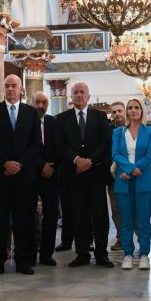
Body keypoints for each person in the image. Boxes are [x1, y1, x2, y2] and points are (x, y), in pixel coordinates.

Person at [0, 75, 42, 276]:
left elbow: (36, 144)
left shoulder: (31, 113)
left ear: (21, 89)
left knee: (23, 220)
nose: (10, 89)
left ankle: (23, 261)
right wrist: (5, 163)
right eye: (7, 86)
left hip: (24, 176)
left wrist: (19, 164)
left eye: (14, 86)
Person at [55, 82, 112, 267]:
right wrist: (76, 160)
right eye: (76, 92)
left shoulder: (100, 116)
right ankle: (82, 254)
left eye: (82, 92)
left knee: (100, 216)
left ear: (88, 96)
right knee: (78, 216)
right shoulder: (61, 119)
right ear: (71, 96)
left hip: (96, 175)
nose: (79, 95)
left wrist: (89, 161)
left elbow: (105, 143)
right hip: (74, 175)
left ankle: (102, 254)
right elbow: (60, 145)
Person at [112, 98, 151, 270]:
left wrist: (133, 170)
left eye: (136, 107)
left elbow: (150, 155)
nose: (133, 110)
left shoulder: (150, 132)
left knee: (143, 221)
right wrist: (131, 169)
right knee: (126, 221)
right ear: (127, 111)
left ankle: (144, 254)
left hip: (143, 180)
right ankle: (128, 254)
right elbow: (116, 154)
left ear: (142, 110)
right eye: (130, 108)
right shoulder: (118, 132)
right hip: (124, 180)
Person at [32, 91, 60, 266]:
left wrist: (51, 167)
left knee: (51, 215)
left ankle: (46, 253)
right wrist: (40, 165)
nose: (40, 106)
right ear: (31, 102)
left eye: (44, 102)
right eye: (37, 102)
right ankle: (29, 252)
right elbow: (24, 147)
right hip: (30, 174)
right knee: (28, 214)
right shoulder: (24, 120)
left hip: (51, 174)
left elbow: (59, 146)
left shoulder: (53, 122)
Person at [106, 101, 125, 250]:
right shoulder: (108, 131)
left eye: (119, 111)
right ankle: (121, 238)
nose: (117, 114)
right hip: (113, 176)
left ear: (124, 111)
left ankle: (139, 238)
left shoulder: (134, 128)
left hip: (133, 174)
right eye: (114, 112)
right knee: (116, 208)